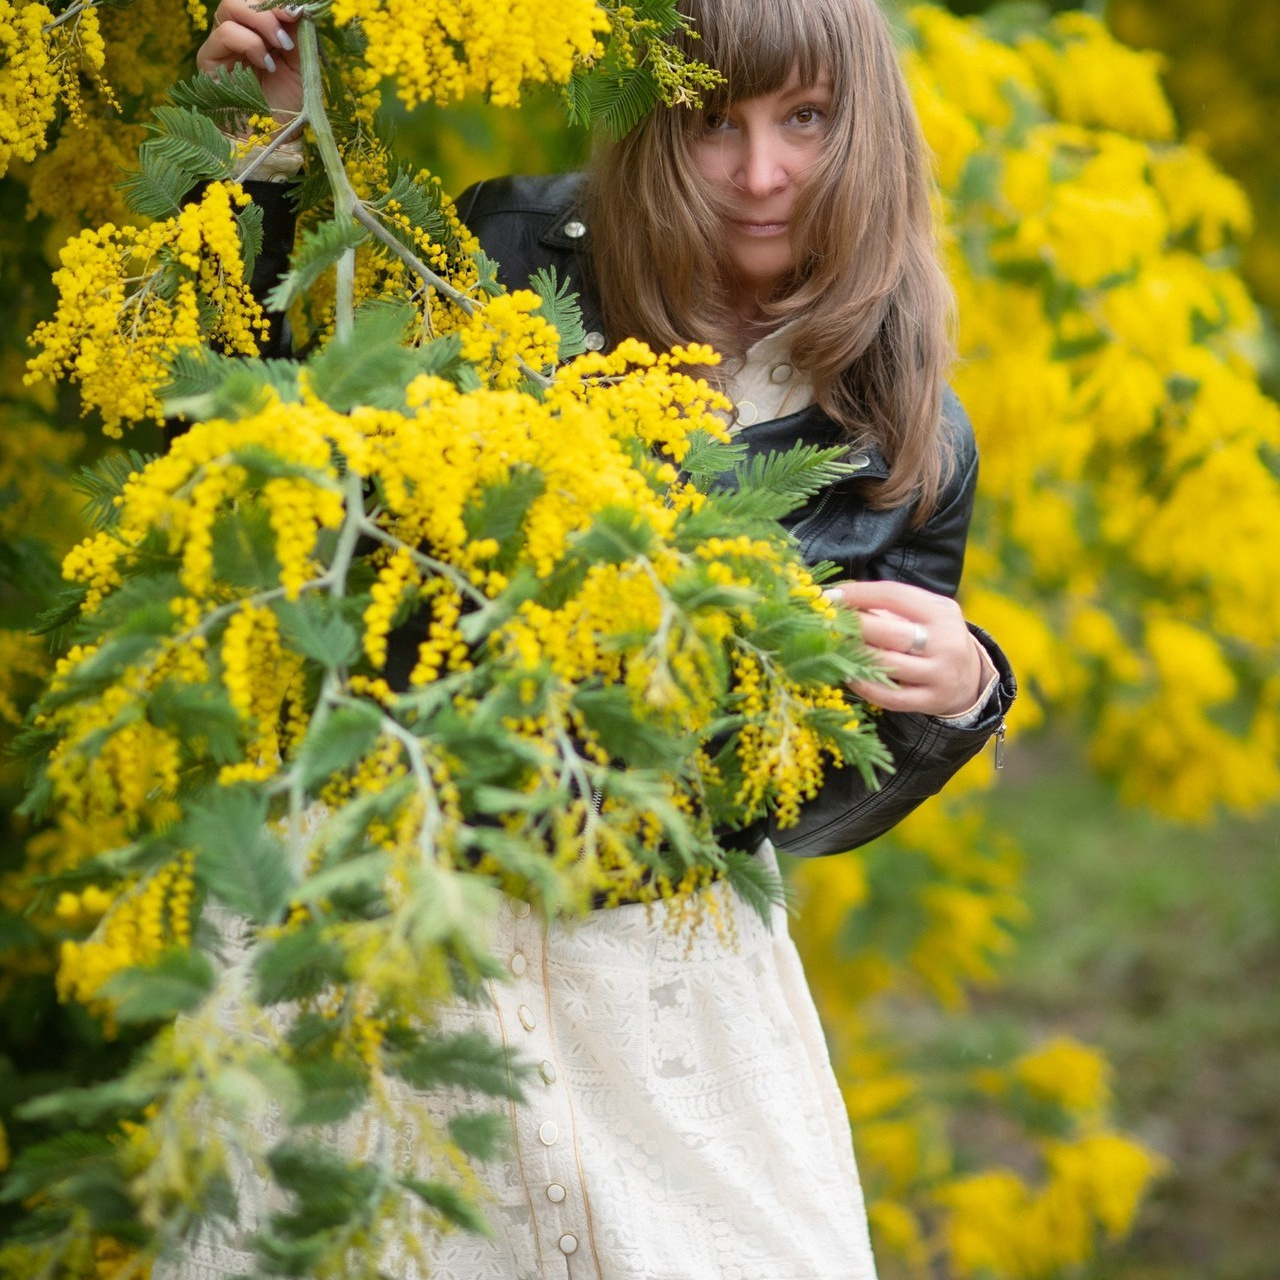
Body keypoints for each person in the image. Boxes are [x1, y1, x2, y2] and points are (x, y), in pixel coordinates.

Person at [187, 1, 1017, 1277]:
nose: (758, 173)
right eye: (710, 122)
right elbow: (272, 424)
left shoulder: (908, 432)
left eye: (803, 118)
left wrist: (953, 695)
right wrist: (271, 156)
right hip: (379, 926)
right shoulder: (504, 250)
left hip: (664, 986)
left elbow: (797, 803)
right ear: (648, 124)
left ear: (868, 129)